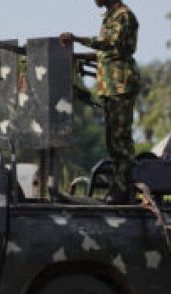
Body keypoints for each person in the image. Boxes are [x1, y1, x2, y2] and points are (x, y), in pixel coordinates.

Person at [61, 0, 140, 204]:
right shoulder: (111, 16)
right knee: (114, 142)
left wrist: (77, 39)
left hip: (120, 85)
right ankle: (120, 188)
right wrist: (76, 56)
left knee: (120, 141)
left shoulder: (123, 15)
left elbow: (110, 43)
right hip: (111, 87)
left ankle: (124, 191)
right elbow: (105, 53)